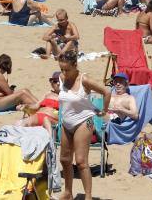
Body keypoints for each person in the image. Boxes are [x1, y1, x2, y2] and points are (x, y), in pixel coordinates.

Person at [57, 50, 110, 200]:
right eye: (61, 69)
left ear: (75, 65)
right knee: (65, 160)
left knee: (81, 162)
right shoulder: (62, 78)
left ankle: (88, 196)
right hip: (66, 122)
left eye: (67, 69)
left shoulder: (84, 80)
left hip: (84, 121)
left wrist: (103, 111)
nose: (64, 72)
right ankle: (68, 192)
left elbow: (106, 92)